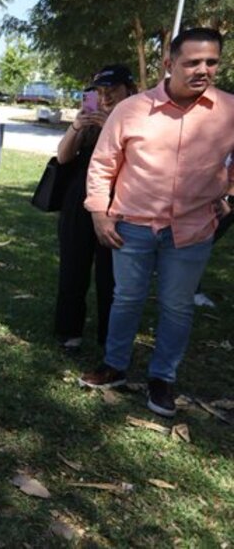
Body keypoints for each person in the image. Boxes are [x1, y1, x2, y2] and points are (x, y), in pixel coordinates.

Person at [79, 28, 234, 418]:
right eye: (192, 62)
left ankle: (162, 378)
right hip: (133, 224)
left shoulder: (229, 111)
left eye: (211, 62)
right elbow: (103, 164)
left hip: (193, 229)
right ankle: (114, 365)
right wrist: (99, 212)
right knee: (126, 298)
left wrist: (228, 195)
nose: (202, 70)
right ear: (169, 63)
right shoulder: (132, 110)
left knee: (177, 306)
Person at [53, 65, 136, 351]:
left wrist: (110, 127)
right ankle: (69, 330)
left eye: (112, 90)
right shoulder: (89, 120)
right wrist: (78, 126)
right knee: (72, 266)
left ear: (129, 90)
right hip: (79, 198)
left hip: (119, 199)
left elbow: (138, 161)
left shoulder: (138, 119)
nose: (105, 98)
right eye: (99, 92)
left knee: (110, 273)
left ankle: (108, 335)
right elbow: (63, 157)